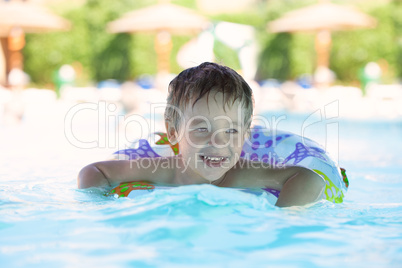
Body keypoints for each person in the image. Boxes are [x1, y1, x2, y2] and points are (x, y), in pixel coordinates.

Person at [77, 62, 324, 207]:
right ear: (173, 132)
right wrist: (100, 209)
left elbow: (309, 179)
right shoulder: (164, 170)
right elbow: (93, 172)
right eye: (202, 128)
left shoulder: (243, 174)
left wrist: (284, 223)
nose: (218, 142)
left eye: (231, 130)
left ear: (246, 133)